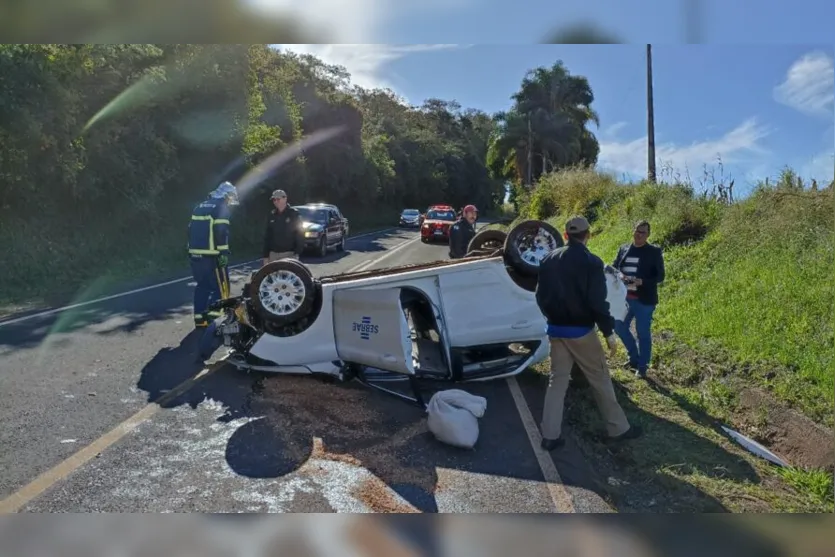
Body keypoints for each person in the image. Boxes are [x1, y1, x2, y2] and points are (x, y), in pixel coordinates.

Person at [534, 215, 642, 450]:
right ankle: (618, 428)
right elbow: (597, 302)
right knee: (600, 378)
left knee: (557, 381)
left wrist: (551, 318)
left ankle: (550, 435)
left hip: (556, 330)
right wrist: (608, 332)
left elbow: (539, 296)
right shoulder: (591, 262)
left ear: (565, 235)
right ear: (588, 235)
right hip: (581, 332)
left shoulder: (548, 260)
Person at [611, 220, 666, 378]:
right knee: (618, 326)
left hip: (644, 300)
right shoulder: (624, 249)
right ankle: (634, 357)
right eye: (637, 231)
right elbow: (615, 267)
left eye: (643, 232)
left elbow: (660, 276)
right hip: (624, 298)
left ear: (648, 235)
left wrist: (642, 281)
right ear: (633, 231)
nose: (639, 234)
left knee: (643, 333)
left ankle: (642, 367)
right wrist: (620, 275)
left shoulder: (653, 252)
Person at [187, 181, 238, 328]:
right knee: (220, 287)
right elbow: (221, 231)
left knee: (202, 286)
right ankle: (214, 320)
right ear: (226, 195)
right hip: (212, 256)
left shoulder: (199, 206)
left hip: (195, 255)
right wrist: (223, 253)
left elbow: (189, 229)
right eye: (230, 197)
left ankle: (200, 320)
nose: (230, 201)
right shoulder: (221, 207)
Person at [262, 189, 304, 265]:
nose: (276, 202)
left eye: (278, 199)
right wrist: (266, 256)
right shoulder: (272, 215)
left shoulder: (293, 214)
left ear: (285, 199)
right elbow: (267, 236)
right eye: (274, 200)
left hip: (289, 254)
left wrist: (297, 253)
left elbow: (300, 234)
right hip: (273, 255)